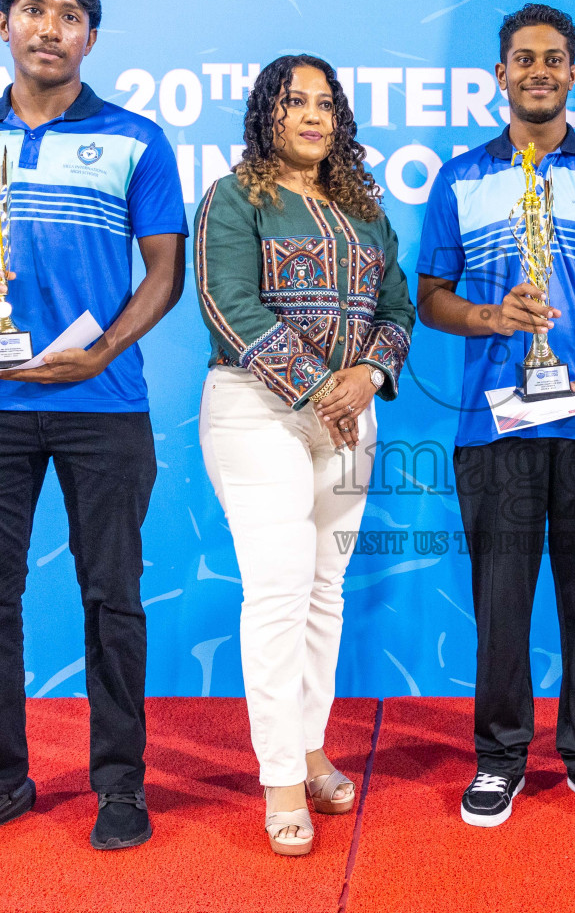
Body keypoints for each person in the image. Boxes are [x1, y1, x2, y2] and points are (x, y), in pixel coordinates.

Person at [0, 0, 187, 856]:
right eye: (34, 9)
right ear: (4, 23)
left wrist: (101, 352)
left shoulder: (138, 140)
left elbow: (165, 273)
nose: (50, 27)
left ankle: (120, 782)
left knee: (113, 597)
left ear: (90, 37)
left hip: (103, 401)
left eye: (69, 15)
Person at [417, 3, 575, 830]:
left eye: (553, 59)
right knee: (502, 600)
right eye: (523, 59)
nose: (538, 72)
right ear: (501, 74)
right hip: (496, 426)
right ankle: (498, 758)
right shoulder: (459, 179)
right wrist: (492, 317)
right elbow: (431, 300)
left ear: (573, 74)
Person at [194, 55, 414, 856]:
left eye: (326, 104)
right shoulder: (234, 197)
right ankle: (281, 777)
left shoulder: (363, 208)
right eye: (295, 103)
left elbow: (398, 306)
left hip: (353, 418)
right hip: (258, 412)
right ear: (267, 114)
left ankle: (313, 745)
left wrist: (368, 375)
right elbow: (229, 306)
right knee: (281, 591)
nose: (313, 117)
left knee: (327, 590)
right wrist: (323, 387)